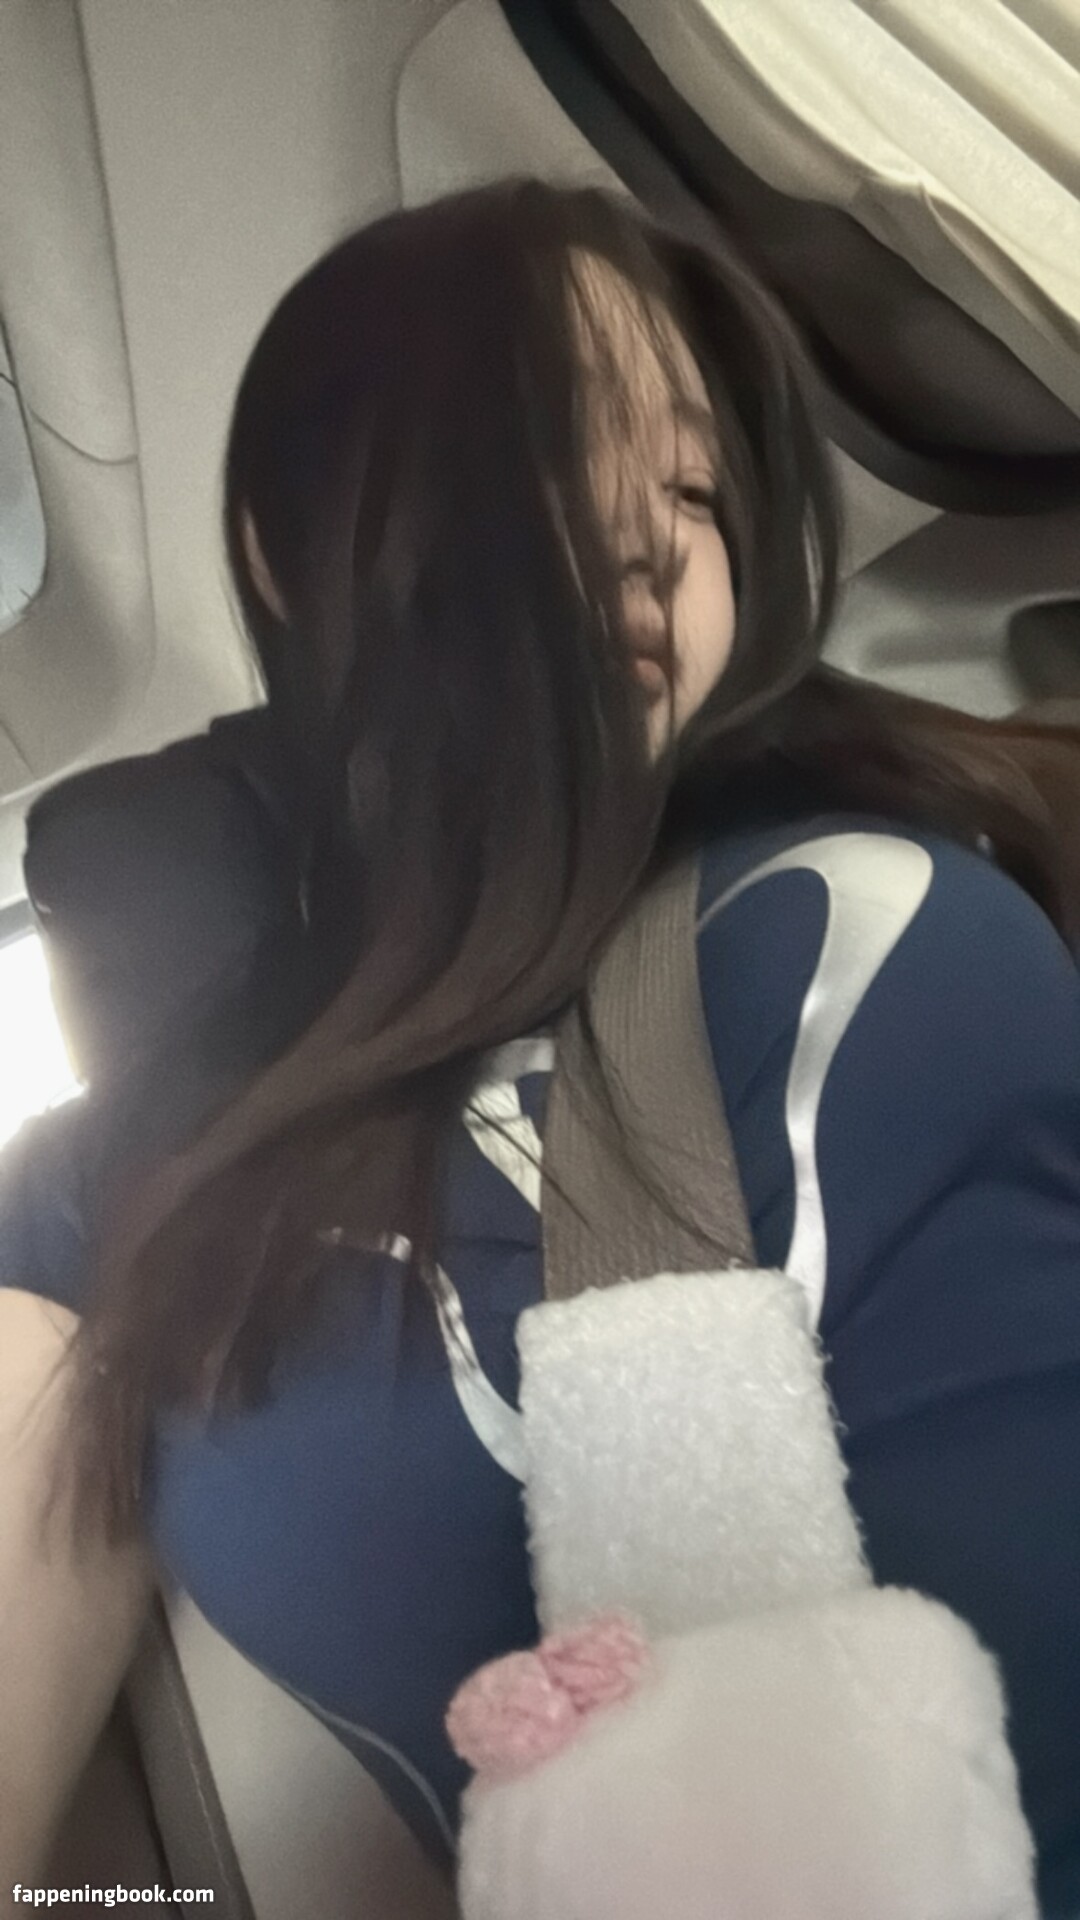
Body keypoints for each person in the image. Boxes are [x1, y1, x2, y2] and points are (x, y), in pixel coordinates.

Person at [2, 179, 1079, 1915]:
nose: (657, 540)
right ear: (287, 541)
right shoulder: (161, 1146)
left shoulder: (857, 946)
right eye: (563, 442)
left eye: (698, 490)